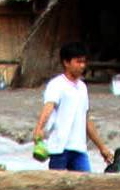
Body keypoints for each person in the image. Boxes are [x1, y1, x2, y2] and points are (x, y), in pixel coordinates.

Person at [34, 42, 115, 171]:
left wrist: (102, 148)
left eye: (84, 62)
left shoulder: (82, 88)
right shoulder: (57, 85)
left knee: (86, 185)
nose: (82, 66)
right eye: (78, 62)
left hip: (79, 148)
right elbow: (48, 107)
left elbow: (86, 119)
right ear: (66, 62)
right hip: (59, 147)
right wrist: (39, 128)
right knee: (57, 187)